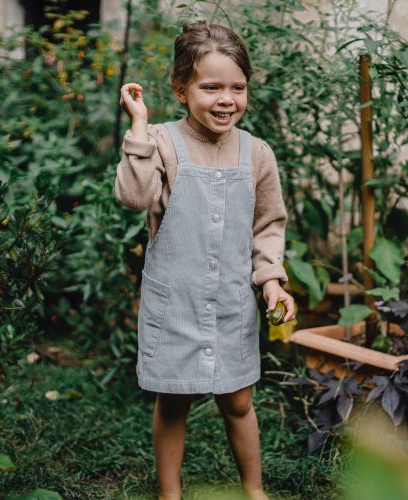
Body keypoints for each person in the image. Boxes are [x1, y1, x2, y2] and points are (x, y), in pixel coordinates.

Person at [115, 20, 294, 500]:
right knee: (173, 402)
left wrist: (272, 281)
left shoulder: (257, 154)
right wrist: (137, 129)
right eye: (210, 87)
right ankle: (169, 493)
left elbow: (268, 226)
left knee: (238, 401)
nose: (225, 99)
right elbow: (134, 197)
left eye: (237, 88)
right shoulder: (160, 143)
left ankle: (254, 490)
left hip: (233, 301)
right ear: (181, 88)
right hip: (175, 302)